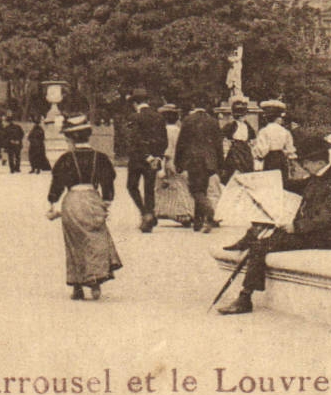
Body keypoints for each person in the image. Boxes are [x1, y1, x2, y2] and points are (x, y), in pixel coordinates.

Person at [219, 134, 331, 315]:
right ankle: (250, 239)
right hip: (310, 233)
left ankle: (245, 298)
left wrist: (297, 227)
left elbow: (328, 217)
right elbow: (291, 185)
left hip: (325, 238)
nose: (303, 166)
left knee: (261, 246)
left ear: (319, 162)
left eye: (306, 163)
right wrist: (258, 182)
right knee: (263, 234)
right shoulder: (318, 177)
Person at [45, 115, 122, 301]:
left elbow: (57, 184)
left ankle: (77, 286)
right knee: (95, 241)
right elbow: (108, 183)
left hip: (72, 201)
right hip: (92, 199)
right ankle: (95, 282)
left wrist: (52, 203)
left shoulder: (65, 159)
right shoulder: (101, 158)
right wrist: (106, 202)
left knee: (74, 243)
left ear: (71, 139)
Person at [175, 103, 223, 233]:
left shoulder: (188, 120)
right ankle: (198, 221)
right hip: (209, 161)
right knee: (202, 188)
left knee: (195, 190)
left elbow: (181, 143)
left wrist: (178, 163)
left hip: (193, 160)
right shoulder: (213, 121)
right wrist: (220, 163)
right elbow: (219, 144)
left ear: (194, 106)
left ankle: (208, 210)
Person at [123, 97, 168, 233]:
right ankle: (149, 213)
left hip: (138, 158)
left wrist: (145, 155)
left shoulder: (134, 117)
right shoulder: (159, 117)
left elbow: (134, 139)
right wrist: (158, 157)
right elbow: (164, 140)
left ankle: (145, 213)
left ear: (135, 103)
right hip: (154, 159)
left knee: (132, 186)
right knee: (149, 188)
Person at [252, 101, 295, 174]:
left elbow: (262, 150)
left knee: (271, 181)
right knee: (282, 181)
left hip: (270, 159)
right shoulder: (285, 131)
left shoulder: (264, 131)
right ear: (278, 118)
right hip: (282, 159)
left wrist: (258, 156)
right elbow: (289, 148)